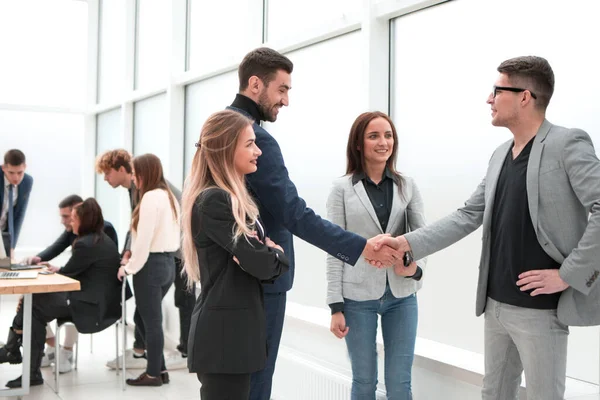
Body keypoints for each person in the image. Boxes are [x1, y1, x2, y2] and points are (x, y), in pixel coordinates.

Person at [377, 56, 600, 400]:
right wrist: (405, 242)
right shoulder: (499, 154)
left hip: (541, 311)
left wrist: (567, 274)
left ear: (525, 97)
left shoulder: (567, 143)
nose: (489, 99)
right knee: (493, 394)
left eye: (497, 90)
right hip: (495, 306)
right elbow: (468, 214)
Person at [227, 47, 397, 400]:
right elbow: (294, 213)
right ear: (255, 84)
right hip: (262, 280)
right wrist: (360, 246)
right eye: (282, 89)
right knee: (256, 383)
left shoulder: (218, 130)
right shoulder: (257, 141)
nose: (286, 101)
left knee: (233, 382)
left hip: (228, 277)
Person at [182, 110, 289, 399]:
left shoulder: (229, 199)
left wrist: (265, 254)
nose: (258, 151)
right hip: (223, 341)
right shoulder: (216, 200)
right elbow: (262, 264)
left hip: (232, 338)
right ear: (228, 148)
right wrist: (276, 255)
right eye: (250, 144)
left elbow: (255, 259)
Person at [326, 112, 427, 399]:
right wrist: (335, 306)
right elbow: (334, 248)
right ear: (359, 143)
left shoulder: (407, 185)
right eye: (374, 136)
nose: (383, 142)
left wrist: (415, 270)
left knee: (399, 383)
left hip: (402, 296)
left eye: (388, 135)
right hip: (357, 299)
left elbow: (423, 238)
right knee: (364, 381)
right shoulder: (341, 189)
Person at [0, 198, 121, 388]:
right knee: (33, 301)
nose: (69, 223)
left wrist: (54, 270)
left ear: (84, 220)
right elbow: (73, 269)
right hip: (95, 298)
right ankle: (16, 353)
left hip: (89, 305)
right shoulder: (97, 239)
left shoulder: (86, 243)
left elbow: (68, 273)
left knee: (34, 306)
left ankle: (16, 352)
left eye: (72, 219)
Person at [96, 149, 193, 369]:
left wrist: (130, 262)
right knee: (148, 308)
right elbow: (137, 224)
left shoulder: (149, 190)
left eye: (107, 173)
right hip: (167, 251)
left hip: (176, 250)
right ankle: (142, 353)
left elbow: (157, 224)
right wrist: (127, 252)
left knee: (182, 300)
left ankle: (184, 353)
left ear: (123, 170)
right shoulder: (139, 189)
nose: (105, 178)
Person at [117, 153, 181, 386]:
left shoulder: (150, 198)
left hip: (150, 267)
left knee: (151, 323)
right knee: (146, 320)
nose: (133, 179)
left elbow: (143, 240)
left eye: (135, 174)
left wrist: (128, 268)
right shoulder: (169, 196)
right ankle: (160, 370)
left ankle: (153, 374)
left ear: (144, 173)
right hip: (167, 265)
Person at [1, 149, 33, 258]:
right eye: (11, 173)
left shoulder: (27, 182)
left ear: (25, 167)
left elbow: (19, 216)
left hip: (4, 235)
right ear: (3, 168)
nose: (16, 178)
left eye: (20, 172)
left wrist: (11, 247)